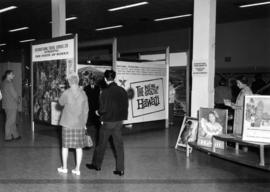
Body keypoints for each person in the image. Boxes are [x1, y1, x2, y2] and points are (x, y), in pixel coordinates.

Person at [86, 70, 129, 176]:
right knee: (119, 145)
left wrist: (97, 112)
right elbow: (125, 106)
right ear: (114, 78)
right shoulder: (122, 90)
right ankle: (120, 169)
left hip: (108, 122)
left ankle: (97, 165)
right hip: (119, 122)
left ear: (105, 79)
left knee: (101, 144)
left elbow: (103, 109)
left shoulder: (104, 92)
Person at [57, 74, 89, 176]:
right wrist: (84, 123)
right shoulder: (83, 93)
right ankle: (77, 169)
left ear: (69, 82)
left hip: (67, 123)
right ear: (78, 81)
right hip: (79, 123)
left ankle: (65, 168)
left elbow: (60, 103)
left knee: (65, 146)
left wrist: (62, 92)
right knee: (78, 148)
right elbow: (86, 110)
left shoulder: (66, 93)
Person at [1, 70, 21, 141]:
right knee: (10, 121)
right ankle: (8, 137)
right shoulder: (9, 83)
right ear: (8, 75)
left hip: (6, 105)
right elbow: (14, 94)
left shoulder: (3, 82)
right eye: (12, 74)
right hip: (11, 105)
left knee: (12, 120)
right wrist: (18, 100)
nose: (13, 75)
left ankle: (15, 135)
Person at [84, 77, 101, 145]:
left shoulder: (98, 87)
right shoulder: (86, 88)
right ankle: (87, 129)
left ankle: (97, 129)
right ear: (89, 81)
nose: (92, 82)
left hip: (96, 106)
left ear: (94, 81)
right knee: (89, 118)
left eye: (93, 81)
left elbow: (99, 96)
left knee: (97, 119)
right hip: (89, 105)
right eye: (90, 80)